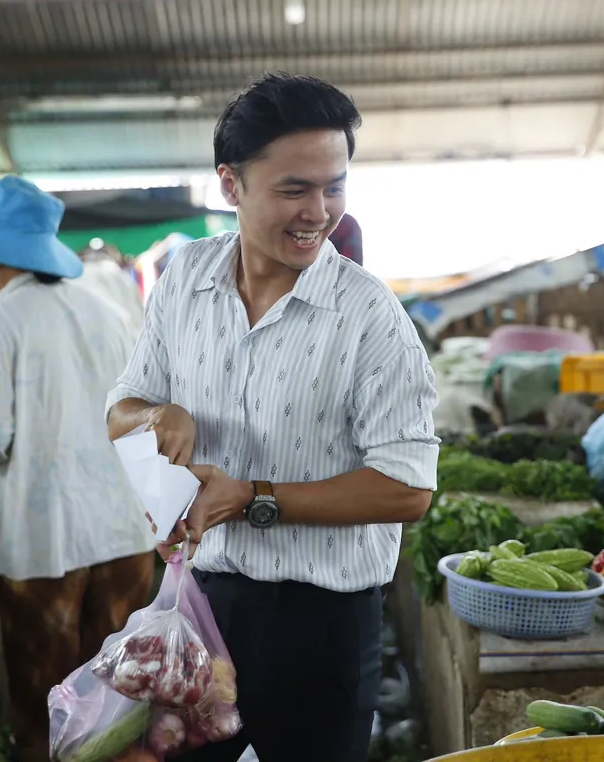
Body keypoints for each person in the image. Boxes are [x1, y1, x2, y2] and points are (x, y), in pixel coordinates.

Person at [105, 73, 440, 762]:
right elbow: (122, 409)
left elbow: (408, 488)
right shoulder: (185, 283)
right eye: (295, 189)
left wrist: (256, 500)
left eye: (334, 186)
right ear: (231, 184)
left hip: (323, 626)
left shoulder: (368, 316)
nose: (319, 212)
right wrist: (159, 416)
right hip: (200, 605)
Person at [0, 176, 155, 762]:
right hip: (124, 533)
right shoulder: (105, 307)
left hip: (43, 546)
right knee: (119, 708)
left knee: (47, 706)